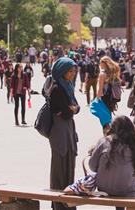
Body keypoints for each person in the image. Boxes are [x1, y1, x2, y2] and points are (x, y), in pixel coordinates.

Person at [88, 116, 135, 210]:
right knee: (131, 185)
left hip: (104, 188)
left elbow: (92, 166)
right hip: (126, 189)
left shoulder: (103, 141)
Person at [46, 57, 80, 210]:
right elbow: (65, 112)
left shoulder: (68, 86)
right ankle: (58, 203)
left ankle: (69, 202)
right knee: (59, 166)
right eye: (70, 71)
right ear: (61, 71)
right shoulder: (56, 89)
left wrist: (71, 109)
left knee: (70, 163)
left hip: (68, 129)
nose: (73, 74)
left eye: (74, 71)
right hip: (59, 131)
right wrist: (70, 109)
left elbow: (76, 107)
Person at [96, 56, 122, 132]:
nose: (99, 64)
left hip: (104, 99)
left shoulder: (102, 74)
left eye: (100, 62)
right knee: (108, 118)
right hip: (112, 99)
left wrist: (96, 100)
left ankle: (107, 137)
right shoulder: (114, 73)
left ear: (104, 63)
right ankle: (110, 134)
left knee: (105, 121)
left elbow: (100, 91)